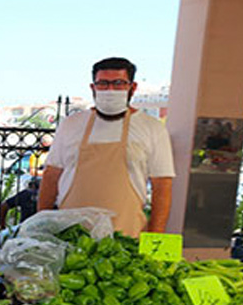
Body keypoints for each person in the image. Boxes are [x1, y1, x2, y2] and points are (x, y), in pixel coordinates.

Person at [37, 57, 175, 237]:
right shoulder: (71, 124)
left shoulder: (152, 128)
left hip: (126, 238)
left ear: (132, 88)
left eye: (118, 83)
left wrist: (156, 237)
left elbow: (162, 185)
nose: (110, 90)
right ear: (93, 88)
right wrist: (40, 226)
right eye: (103, 83)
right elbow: (51, 176)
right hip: (71, 236)